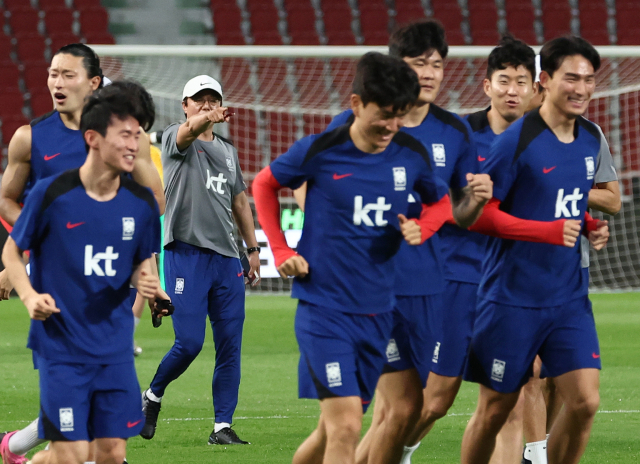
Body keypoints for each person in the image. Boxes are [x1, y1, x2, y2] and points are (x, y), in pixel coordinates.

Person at [252, 51, 488, 464]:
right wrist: (282, 249)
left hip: (380, 312)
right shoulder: (321, 149)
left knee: (363, 419)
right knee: (345, 427)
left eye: (399, 116)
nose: (390, 126)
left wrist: (424, 227)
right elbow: (264, 184)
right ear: (357, 103)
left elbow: (439, 202)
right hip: (325, 310)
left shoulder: (410, 153)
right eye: (383, 114)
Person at [320, 20, 482, 464]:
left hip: (428, 285)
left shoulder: (455, 132)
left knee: (398, 408)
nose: (429, 73)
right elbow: (305, 183)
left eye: (436, 64)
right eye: (418, 63)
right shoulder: (356, 122)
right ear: (398, 67)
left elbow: (460, 213)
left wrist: (473, 199)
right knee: (393, 407)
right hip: (368, 286)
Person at [0, 44, 166, 464]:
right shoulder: (33, 142)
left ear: (93, 83)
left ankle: (15, 447)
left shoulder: (130, 151)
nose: (56, 82)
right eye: (52, 73)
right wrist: (39, 248)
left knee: (104, 449)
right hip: (59, 302)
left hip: (109, 318)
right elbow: (10, 215)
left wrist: (150, 282)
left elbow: (152, 208)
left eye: (67, 74)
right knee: (72, 446)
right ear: (94, 140)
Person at [460, 36, 610, 464]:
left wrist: (589, 226)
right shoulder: (514, 141)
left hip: (568, 296)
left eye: (588, 79)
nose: (581, 87)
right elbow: (480, 216)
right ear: (546, 80)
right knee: (494, 411)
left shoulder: (587, 139)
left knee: (584, 402)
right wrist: (547, 232)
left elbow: (563, 201)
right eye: (571, 78)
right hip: (511, 298)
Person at [140, 74, 260, 445]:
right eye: (199, 100)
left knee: (230, 345)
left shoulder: (228, 152)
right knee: (189, 343)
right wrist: (207, 118)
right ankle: (153, 396)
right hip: (185, 254)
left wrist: (252, 250)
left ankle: (222, 427)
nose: (206, 105)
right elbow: (191, 130)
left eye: (213, 100)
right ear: (185, 105)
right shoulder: (174, 137)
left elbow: (239, 200)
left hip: (226, 259)